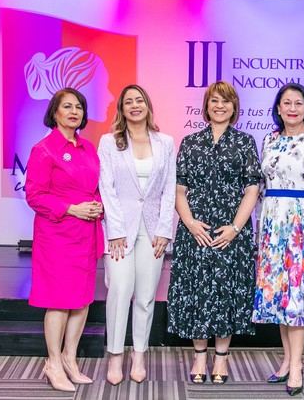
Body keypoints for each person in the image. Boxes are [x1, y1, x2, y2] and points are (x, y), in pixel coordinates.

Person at [167, 81, 261, 385]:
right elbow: (179, 190)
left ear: (234, 108)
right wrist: (191, 223)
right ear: (206, 107)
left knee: (226, 292)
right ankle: (199, 355)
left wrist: (235, 228)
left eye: (226, 102)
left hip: (231, 232)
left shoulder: (245, 142)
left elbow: (252, 189)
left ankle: (221, 357)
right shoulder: (190, 142)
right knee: (196, 291)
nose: (219, 106)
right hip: (195, 232)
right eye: (214, 101)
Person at [252, 83, 304, 396]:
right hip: (273, 222)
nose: (292, 108)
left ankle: (297, 366)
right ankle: (287, 359)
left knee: (297, 294)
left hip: (302, 221)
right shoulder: (270, 139)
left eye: (298, 103)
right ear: (278, 108)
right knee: (279, 296)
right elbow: (262, 185)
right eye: (286, 103)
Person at [25, 87, 104, 392]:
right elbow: (34, 195)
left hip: (86, 234)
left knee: (81, 300)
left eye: (79, 107)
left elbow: (94, 186)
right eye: (67, 106)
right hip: (57, 235)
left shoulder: (88, 148)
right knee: (59, 302)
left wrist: (97, 203)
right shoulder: (44, 149)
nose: (74, 112)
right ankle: (53, 362)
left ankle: (70, 359)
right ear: (54, 113)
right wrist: (71, 207)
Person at [98, 84, 176, 385]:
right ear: (122, 109)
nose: (134, 105)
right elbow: (107, 188)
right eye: (128, 101)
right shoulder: (109, 142)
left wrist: (164, 231)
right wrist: (115, 231)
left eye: (139, 99)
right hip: (120, 228)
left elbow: (169, 188)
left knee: (145, 296)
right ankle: (115, 355)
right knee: (119, 288)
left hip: (154, 229)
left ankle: (139, 355)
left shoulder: (165, 142)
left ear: (148, 105)